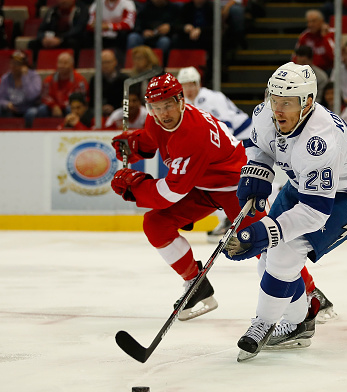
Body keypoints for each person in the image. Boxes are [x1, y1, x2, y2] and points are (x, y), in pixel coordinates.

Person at [110, 73, 331, 324]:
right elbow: (154, 139)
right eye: (157, 108)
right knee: (155, 224)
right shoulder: (156, 120)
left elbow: (171, 192)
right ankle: (196, 285)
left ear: (181, 101)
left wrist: (135, 186)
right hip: (201, 185)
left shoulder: (192, 133)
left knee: (265, 243)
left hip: (236, 186)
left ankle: (312, 293)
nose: (163, 113)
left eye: (169, 105)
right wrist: (136, 144)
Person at [223, 62, 347, 361]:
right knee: (271, 258)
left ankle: (265, 323)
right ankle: (299, 324)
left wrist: (263, 231)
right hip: (302, 185)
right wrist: (256, 172)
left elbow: (314, 213)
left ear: (307, 102)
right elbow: (261, 147)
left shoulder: (319, 141)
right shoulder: (264, 114)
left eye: (287, 102)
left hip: (346, 196)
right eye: (274, 99)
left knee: (283, 254)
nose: (278, 109)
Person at [177, 65, 253, 241]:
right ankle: (228, 219)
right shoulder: (185, 104)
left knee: (238, 180)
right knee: (218, 182)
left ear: (198, 84)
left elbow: (226, 127)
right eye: (185, 85)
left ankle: (231, 218)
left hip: (245, 139)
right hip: (231, 143)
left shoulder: (211, 97)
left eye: (191, 84)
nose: (188, 89)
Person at [0, 50, 42, 128]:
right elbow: (0, 98)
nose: (13, 66)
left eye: (17, 64)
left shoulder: (34, 76)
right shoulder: (6, 78)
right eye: (12, 63)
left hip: (28, 108)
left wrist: (25, 78)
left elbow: (32, 96)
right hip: (11, 109)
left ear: (24, 65)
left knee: (32, 113)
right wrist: (6, 104)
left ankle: (29, 134)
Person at [38, 51, 88, 119]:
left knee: (71, 109)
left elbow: (82, 98)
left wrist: (62, 106)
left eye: (65, 63)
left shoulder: (80, 80)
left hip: (70, 107)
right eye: (60, 63)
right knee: (41, 109)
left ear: (71, 65)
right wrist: (54, 106)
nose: (62, 66)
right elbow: (45, 96)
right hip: (53, 107)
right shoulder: (49, 80)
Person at [292, 9, 335, 74]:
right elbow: (295, 57)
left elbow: (334, 57)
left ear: (322, 22)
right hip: (309, 70)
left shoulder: (332, 34)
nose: (310, 25)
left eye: (313, 21)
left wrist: (324, 37)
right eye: (308, 22)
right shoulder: (305, 36)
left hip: (328, 70)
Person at [88, 49, 128, 117]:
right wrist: (101, 108)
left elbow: (129, 101)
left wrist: (115, 108)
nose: (106, 65)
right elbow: (91, 102)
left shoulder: (124, 79)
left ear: (115, 62)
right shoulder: (95, 80)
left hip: (120, 112)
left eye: (108, 62)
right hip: (99, 113)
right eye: (103, 62)